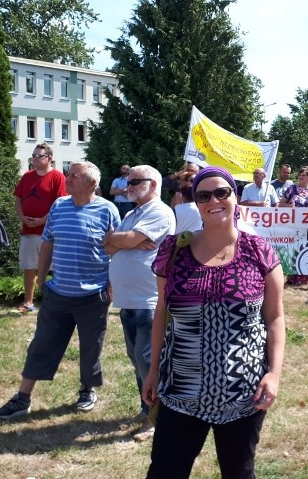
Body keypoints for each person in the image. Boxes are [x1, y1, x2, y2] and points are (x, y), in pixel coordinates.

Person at [143, 167, 284, 479]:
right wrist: (152, 370)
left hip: (243, 393)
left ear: (235, 197)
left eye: (223, 192)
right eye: (203, 195)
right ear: (195, 202)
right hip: (179, 390)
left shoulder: (258, 251)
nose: (214, 200)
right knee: (165, 472)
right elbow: (161, 314)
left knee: (239, 473)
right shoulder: (173, 251)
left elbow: (274, 317)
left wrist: (273, 374)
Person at [0, 161, 120, 419]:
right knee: (42, 344)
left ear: (92, 183)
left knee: (91, 346)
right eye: (68, 174)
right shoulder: (59, 206)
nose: (68, 179)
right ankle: (22, 398)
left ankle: (87, 389)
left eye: (74, 176)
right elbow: (47, 243)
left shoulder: (107, 210)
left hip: (93, 295)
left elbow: (116, 249)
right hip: (58, 292)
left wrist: (112, 283)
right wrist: (42, 278)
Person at [104, 165, 175, 442]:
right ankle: (147, 410)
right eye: (128, 180)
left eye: (136, 181)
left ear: (154, 184)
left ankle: (157, 419)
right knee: (136, 360)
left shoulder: (159, 211)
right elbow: (107, 245)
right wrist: (120, 241)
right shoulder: (133, 213)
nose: (129, 184)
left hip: (149, 301)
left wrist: (123, 240)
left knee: (149, 361)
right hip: (129, 301)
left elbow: (127, 239)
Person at [13, 143, 67, 314]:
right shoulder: (27, 176)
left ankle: (53, 301)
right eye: (33, 156)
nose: (35, 159)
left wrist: (43, 220)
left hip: (49, 232)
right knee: (29, 267)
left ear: (49, 158)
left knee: (54, 267)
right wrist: (22, 217)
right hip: (28, 230)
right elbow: (18, 199)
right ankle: (28, 302)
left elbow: (60, 204)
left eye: (39, 156)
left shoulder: (58, 177)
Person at [279, 166, 308, 287]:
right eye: (299, 175)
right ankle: (294, 278)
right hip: (295, 225)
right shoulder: (292, 189)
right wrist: (289, 207)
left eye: (303, 176)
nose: (300, 177)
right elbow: (280, 204)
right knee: (296, 250)